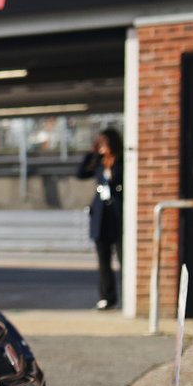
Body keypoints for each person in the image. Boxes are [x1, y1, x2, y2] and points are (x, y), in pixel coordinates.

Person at [76, 127, 123, 310]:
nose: (102, 147)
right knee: (103, 261)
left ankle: (126, 295)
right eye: (99, 144)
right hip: (101, 217)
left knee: (122, 257)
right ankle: (107, 297)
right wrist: (91, 153)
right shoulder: (99, 163)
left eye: (104, 143)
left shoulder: (121, 161)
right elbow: (80, 173)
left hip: (117, 215)